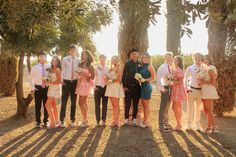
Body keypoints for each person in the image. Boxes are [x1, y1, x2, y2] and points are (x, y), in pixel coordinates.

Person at [60, 44, 80, 127]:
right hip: (66, 82)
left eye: (74, 49)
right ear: (69, 50)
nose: (73, 51)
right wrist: (62, 81)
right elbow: (62, 70)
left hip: (74, 82)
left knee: (73, 102)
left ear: (76, 51)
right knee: (64, 101)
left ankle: (72, 120)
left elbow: (79, 71)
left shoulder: (78, 60)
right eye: (71, 49)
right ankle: (62, 120)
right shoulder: (65, 59)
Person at [29, 51, 49, 128]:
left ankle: (46, 121)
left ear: (46, 57)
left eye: (43, 56)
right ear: (38, 58)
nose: (42, 58)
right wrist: (32, 88)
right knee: (38, 106)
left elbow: (51, 77)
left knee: (46, 105)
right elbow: (30, 78)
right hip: (38, 88)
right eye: (40, 56)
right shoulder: (35, 67)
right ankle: (38, 122)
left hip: (46, 88)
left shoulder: (49, 67)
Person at [184, 52, 203, 131]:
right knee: (190, 108)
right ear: (193, 58)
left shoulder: (204, 68)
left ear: (201, 58)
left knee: (198, 108)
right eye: (196, 57)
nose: (197, 58)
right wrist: (187, 89)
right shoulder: (190, 68)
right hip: (191, 90)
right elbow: (185, 79)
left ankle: (197, 124)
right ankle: (188, 124)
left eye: (199, 56)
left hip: (200, 91)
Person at [75, 50, 95, 127]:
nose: (84, 56)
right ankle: (85, 120)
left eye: (85, 54)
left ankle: (85, 120)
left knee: (80, 103)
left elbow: (92, 77)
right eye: (83, 54)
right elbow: (79, 74)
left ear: (89, 56)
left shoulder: (90, 66)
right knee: (84, 102)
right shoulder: (81, 64)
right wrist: (79, 74)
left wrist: (86, 76)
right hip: (80, 84)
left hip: (86, 85)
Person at [122, 48, 141, 127]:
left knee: (136, 104)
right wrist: (124, 86)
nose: (134, 55)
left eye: (136, 54)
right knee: (127, 104)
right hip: (128, 87)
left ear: (138, 55)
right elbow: (124, 75)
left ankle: (134, 120)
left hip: (137, 87)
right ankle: (126, 120)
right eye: (133, 54)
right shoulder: (127, 64)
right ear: (131, 55)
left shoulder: (140, 64)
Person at [201, 55, 219, 133]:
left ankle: (211, 127)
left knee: (209, 109)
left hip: (208, 90)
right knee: (206, 109)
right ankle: (212, 126)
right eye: (204, 59)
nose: (205, 61)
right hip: (204, 90)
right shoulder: (205, 68)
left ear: (209, 60)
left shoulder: (211, 68)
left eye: (207, 59)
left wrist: (203, 81)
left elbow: (213, 82)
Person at [105, 56, 124, 127]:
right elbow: (108, 77)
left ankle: (115, 121)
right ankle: (115, 120)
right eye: (112, 60)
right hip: (110, 87)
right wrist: (107, 80)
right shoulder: (111, 68)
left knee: (116, 105)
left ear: (118, 60)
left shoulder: (119, 68)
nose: (114, 61)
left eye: (115, 60)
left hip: (116, 87)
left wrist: (110, 81)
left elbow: (119, 79)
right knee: (113, 105)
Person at [156, 52, 173, 131]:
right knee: (163, 106)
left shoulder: (171, 67)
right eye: (167, 57)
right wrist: (162, 89)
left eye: (170, 57)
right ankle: (161, 124)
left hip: (171, 88)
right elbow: (158, 80)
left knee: (167, 106)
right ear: (165, 58)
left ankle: (166, 122)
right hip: (165, 88)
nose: (169, 59)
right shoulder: (162, 67)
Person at [138, 52, 156, 128]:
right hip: (141, 87)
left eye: (146, 57)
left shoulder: (149, 66)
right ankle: (144, 120)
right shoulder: (141, 66)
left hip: (147, 87)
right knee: (143, 105)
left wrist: (145, 80)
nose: (144, 59)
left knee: (146, 105)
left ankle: (146, 121)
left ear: (148, 58)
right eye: (143, 57)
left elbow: (153, 78)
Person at [45, 56, 62, 129]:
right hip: (51, 88)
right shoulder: (50, 69)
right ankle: (57, 121)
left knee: (47, 105)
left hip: (55, 89)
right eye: (53, 60)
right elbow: (48, 78)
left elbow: (59, 81)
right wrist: (46, 80)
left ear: (58, 62)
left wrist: (50, 82)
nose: (54, 62)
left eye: (55, 61)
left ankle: (52, 122)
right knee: (54, 105)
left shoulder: (58, 69)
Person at [171, 56, 186, 131]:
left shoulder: (179, 70)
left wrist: (172, 82)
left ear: (179, 62)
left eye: (176, 60)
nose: (174, 61)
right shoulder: (174, 69)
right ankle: (179, 124)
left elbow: (180, 81)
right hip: (175, 89)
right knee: (178, 107)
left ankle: (178, 124)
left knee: (175, 107)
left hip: (178, 90)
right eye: (174, 60)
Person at [94, 54, 109, 126]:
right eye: (101, 58)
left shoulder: (108, 68)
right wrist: (94, 86)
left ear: (105, 59)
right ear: (99, 59)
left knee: (105, 105)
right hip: (97, 87)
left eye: (104, 58)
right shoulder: (96, 67)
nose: (102, 59)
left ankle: (103, 120)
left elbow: (109, 78)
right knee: (97, 105)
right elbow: (93, 77)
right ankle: (97, 120)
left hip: (105, 87)